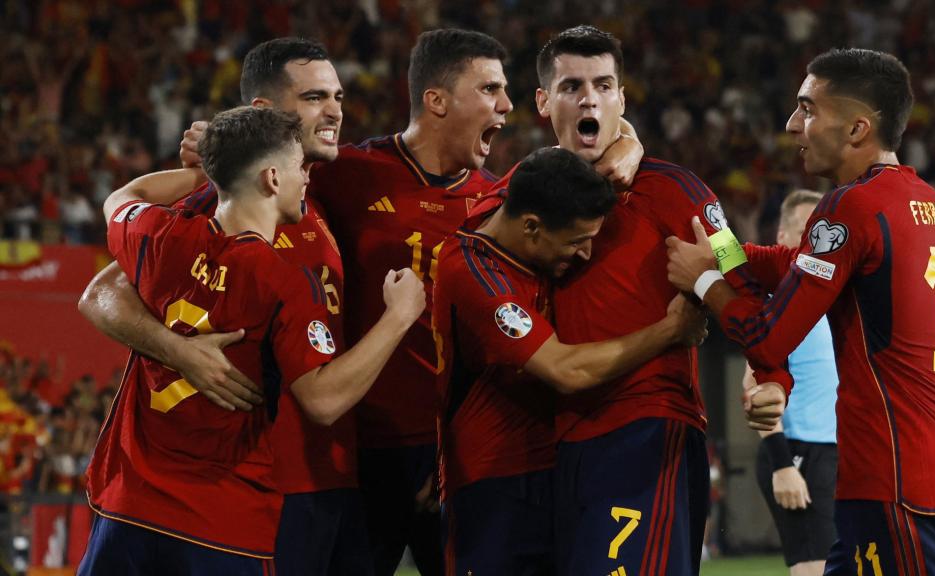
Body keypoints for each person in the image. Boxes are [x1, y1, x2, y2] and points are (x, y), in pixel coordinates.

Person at [305, 29, 643, 576]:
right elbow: (251, 180)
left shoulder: (502, 202)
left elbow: (590, 146)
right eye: (490, 90)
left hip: (458, 453)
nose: (506, 106)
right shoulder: (345, 174)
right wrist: (204, 156)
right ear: (437, 100)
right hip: (359, 451)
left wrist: (630, 141)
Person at [471, 25, 788, 576]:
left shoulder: (679, 191)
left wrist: (771, 376)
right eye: (572, 86)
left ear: (622, 98)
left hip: (647, 431)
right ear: (545, 102)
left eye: (604, 85)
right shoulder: (521, 191)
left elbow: (742, 282)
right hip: (557, 443)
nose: (589, 98)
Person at [666, 48, 935, 575]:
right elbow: (793, 263)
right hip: (916, 476)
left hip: (893, 482)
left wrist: (703, 279)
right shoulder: (922, 199)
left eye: (808, 109)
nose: (792, 125)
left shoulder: (848, 205)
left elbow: (767, 339)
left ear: (858, 129)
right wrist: (721, 245)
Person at [78, 106, 424, 574]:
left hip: (131, 505)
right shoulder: (281, 281)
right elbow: (323, 399)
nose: (308, 177)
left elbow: (124, 195)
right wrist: (398, 318)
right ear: (271, 178)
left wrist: (200, 176)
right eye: (300, 166)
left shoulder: (160, 236)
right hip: (222, 520)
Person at [433, 146, 705, 575]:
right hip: (494, 483)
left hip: (557, 469)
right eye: (576, 241)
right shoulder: (473, 270)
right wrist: (671, 330)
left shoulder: (533, 188)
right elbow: (566, 370)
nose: (583, 254)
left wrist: (630, 142)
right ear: (531, 227)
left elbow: (573, 148)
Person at [741, 189, 838, 576]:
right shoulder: (776, 297)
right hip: (799, 452)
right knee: (815, 568)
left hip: (834, 450)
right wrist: (782, 464)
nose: (819, 241)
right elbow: (752, 383)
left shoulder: (833, 296)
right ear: (782, 237)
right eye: (807, 231)